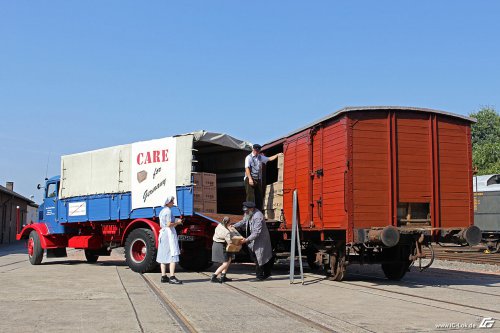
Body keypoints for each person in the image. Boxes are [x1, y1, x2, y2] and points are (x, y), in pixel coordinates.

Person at [233, 201, 273, 281]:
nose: (245, 212)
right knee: (256, 257)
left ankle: (260, 276)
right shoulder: (248, 213)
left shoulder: (258, 216)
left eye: (246, 210)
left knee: (259, 257)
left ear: (251, 209)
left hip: (260, 239)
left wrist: (246, 240)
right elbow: (243, 221)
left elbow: (256, 232)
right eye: (244, 210)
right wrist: (234, 226)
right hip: (252, 238)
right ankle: (267, 273)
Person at [244, 144, 282, 210]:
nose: (256, 152)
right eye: (255, 150)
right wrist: (250, 179)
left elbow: (269, 159)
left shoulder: (260, 157)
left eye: (258, 151)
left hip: (257, 179)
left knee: (259, 196)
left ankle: (258, 212)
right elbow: (247, 168)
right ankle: (249, 213)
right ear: (253, 149)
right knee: (250, 196)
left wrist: (277, 155)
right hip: (249, 178)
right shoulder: (248, 157)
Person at [156, 196, 183, 284]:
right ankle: (172, 277)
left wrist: (175, 220)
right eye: (172, 201)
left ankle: (163, 276)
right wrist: (178, 222)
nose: (173, 203)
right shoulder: (168, 211)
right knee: (173, 254)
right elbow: (169, 224)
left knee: (163, 255)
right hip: (168, 234)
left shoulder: (162, 211)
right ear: (168, 202)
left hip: (163, 234)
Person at [210, 217, 235, 283]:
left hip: (215, 244)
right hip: (221, 246)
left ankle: (223, 276)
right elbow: (230, 242)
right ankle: (214, 276)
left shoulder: (219, 225)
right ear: (228, 223)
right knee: (225, 263)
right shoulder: (226, 232)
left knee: (229, 259)